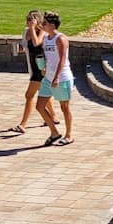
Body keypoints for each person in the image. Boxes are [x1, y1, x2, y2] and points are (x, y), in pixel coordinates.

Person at [12, 10, 55, 134]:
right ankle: (53, 117)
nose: (28, 22)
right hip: (33, 67)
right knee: (43, 94)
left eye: (31, 20)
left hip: (41, 70)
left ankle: (23, 124)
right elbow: (28, 47)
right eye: (28, 19)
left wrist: (32, 28)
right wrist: (20, 48)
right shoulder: (26, 32)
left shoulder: (42, 32)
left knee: (29, 96)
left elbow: (36, 43)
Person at [36, 11, 75, 145]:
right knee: (40, 106)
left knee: (64, 107)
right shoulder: (46, 38)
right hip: (48, 77)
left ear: (52, 25)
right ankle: (54, 132)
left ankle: (69, 135)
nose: (42, 26)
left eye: (45, 23)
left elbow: (62, 59)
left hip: (62, 78)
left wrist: (57, 77)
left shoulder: (61, 39)